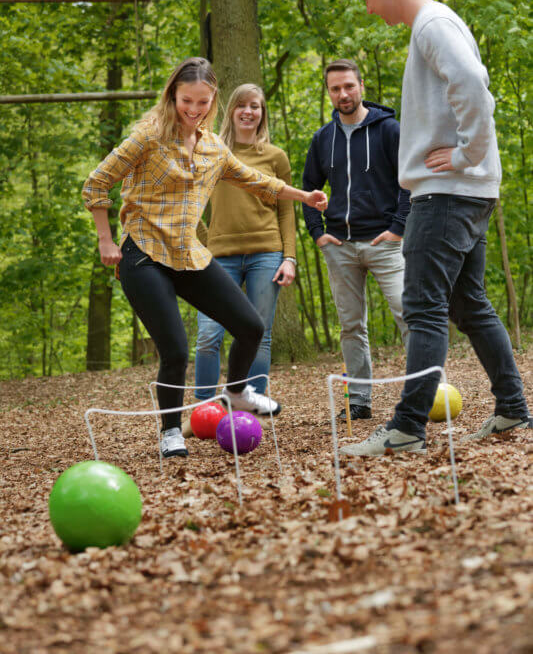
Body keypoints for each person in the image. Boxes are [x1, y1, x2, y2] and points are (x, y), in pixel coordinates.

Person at [82, 57, 327, 459]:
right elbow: (97, 182)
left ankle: (236, 392)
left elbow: (256, 180)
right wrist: (105, 240)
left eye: (202, 103)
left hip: (189, 255)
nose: (193, 110)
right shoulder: (147, 138)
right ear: (172, 96)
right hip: (142, 254)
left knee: (250, 325)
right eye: (186, 101)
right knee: (176, 348)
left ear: (214, 102)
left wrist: (304, 196)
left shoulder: (214, 147)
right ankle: (169, 432)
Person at [340, 0, 530, 457]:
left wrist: (469, 155)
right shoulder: (436, 23)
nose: (369, 8)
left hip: (446, 194)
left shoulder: (431, 25)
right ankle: (513, 408)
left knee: (423, 307)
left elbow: (473, 84)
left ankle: (406, 428)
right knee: (470, 306)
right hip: (465, 193)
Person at [302, 59, 410, 421]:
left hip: (386, 243)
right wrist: (318, 233)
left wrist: (398, 228)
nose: (343, 94)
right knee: (351, 326)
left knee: (408, 314)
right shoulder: (323, 139)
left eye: (349, 86)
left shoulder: (389, 130)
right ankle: (360, 399)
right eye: (335, 88)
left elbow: (409, 182)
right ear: (329, 92)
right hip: (341, 247)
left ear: (361, 85)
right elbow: (308, 191)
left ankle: (423, 392)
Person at [194, 83, 296, 402]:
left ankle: (248, 408)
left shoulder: (275, 156)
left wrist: (289, 257)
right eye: (241, 105)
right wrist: (201, 242)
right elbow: (190, 202)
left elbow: (286, 210)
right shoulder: (210, 152)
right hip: (218, 258)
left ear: (262, 113)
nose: (248, 111)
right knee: (208, 336)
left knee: (259, 335)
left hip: (266, 254)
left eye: (255, 106)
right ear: (231, 111)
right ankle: (205, 410)